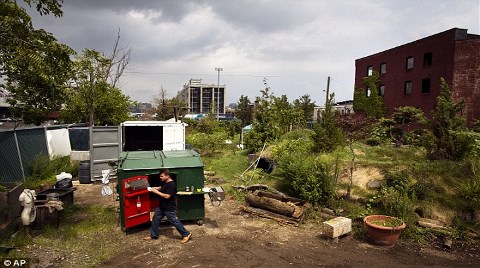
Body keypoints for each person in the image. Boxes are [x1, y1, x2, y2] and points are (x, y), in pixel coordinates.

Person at [144, 169, 192, 243]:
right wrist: (157, 188)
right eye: (160, 176)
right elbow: (163, 187)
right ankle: (154, 235)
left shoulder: (172, 184)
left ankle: (186, 234)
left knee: (174, 221)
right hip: (161, 206)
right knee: (155, 219)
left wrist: (156, 192)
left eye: (162, 176)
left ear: (167, 176)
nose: (160, 177)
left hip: (168, 207)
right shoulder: (165, 182)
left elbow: (167, 196)